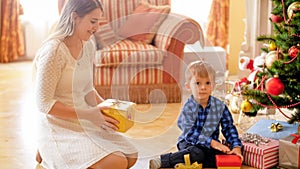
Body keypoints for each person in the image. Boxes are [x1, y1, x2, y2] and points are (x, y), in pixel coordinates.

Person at [33, 0, 138, 168]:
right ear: (75, 17)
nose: (96, 28)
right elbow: (44, 104)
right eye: (93, 21)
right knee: (116, 162)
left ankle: (51, 153)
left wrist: (108, 108)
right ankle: (49, 148)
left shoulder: (88, 44)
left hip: (84, 119)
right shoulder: (53, 51)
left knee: (131, 156)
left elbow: (88, 89)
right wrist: (89, 114)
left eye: (98, 22)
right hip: (59, 123)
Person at [149, 61, 243, 169]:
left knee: (219, 156)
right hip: (189, 142)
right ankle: (163, 160)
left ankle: (185, 162)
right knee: (197, 153)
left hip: (209, 146)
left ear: (213, 85)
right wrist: (212, 142)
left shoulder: (220, 106)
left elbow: (229, 128)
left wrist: (236, 146)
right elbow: (190, 133)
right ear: (188, 86)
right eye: (198, 83)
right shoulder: (188, 108)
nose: (203, 87)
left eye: (207, 83)